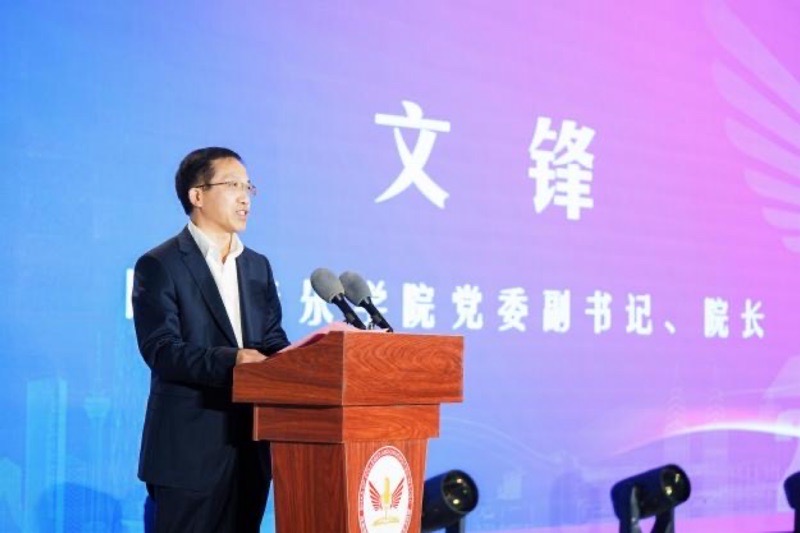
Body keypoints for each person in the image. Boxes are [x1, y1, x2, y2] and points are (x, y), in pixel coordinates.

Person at [132, 147, 290, 532]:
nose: (245, 197)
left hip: (250, 450)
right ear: (197, 195)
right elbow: (162, 350)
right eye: (233, 185)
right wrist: (233, 360)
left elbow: (272, 342)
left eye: (248, 187)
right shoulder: (160, 264)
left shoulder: (257, 266)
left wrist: (312, 358)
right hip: (187, 454)